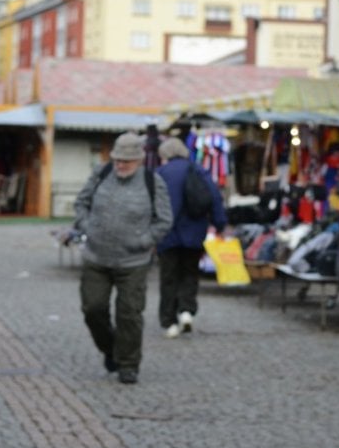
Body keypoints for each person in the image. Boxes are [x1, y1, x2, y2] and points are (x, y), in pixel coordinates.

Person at [72, 132, 173, 385]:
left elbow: (164, 220)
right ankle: (110, 349)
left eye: (126, 161)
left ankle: (128, 364)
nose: (120, 165)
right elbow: (81, 203)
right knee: (92, 308)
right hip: (97, 257)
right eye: (117, 159)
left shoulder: (153, 182)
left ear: (138, 160)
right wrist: (87, 227)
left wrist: (143, 241)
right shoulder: (101, 173)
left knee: (129, 313)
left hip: (133, 262)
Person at [155, 135, 227, 337]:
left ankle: (169, 322)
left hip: (167, 234)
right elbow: (214, 197)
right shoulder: (198, 170)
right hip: (194, 233)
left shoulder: (161, 173)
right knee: (189, 274)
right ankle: (186, 311)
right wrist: (219, 224)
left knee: (168, 277)